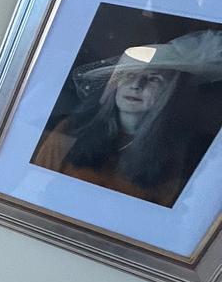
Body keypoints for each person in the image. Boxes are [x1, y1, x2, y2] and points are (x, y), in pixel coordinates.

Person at [33, 28, 222, 207]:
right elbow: (34, 190)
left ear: (171, 93)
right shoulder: (71, 129)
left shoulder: (183, 152)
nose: (136, 85)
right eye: (130, 75)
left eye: (154, 79)